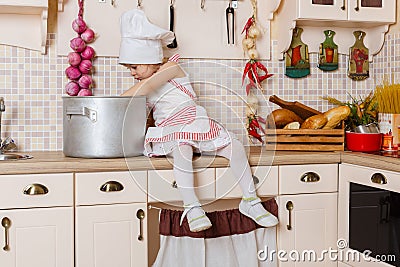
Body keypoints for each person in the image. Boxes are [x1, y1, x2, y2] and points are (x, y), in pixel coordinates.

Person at [119, 9, 278, 232]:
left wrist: (115, 100)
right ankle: (192, 206)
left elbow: (146, 86)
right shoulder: (145, 86)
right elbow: (140, 108)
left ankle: (250, 201)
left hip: (196, 123)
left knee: (235, 145)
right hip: (172, 131)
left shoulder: (171, 68)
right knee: (182, 149)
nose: (132, 73)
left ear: (150, 59)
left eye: (134, 67)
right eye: (129, 69)